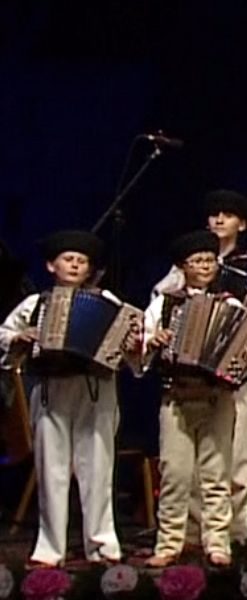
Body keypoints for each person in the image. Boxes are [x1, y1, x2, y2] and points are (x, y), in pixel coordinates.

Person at [0, 229, 140, 566]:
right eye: (68, 259)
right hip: (52, 388)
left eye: (82, 261)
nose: (75, 265)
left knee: (98, 467)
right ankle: (50, 549)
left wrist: (132, 343)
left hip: (95, 389)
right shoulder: (36, 303)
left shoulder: (108, 301)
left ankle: (102, 546)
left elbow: (130, 337)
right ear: (52, 266)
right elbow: (4, 334)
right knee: (52, 468)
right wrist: (19, 337)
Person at [144, 230, 247, 567]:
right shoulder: (165, 303)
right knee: (175, 473)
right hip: (177, 396)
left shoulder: (230, 304)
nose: (205, 266)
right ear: (183, 267)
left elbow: (246, 348)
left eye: (210, 260)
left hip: (216, 397)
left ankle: (217, 541)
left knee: (217, 473)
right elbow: (144, 344)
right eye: (197, 261)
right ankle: (169, 542)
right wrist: (155, 340)